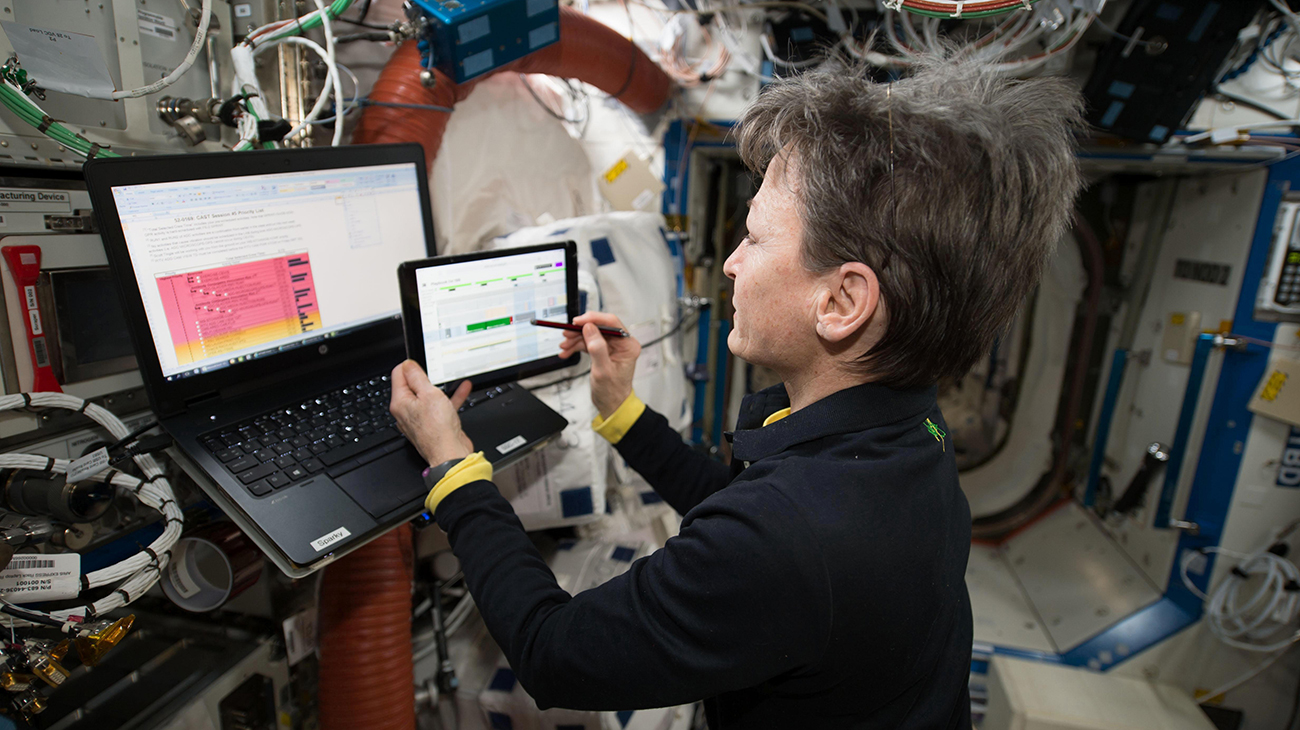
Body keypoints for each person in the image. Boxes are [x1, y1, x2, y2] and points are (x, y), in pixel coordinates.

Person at [390, 56, 1083, 729]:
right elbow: (744, 508)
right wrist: (623, 413)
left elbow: (554, 653)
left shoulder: (794, 535)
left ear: (842, 301)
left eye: (753, 238)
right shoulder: (908, 433)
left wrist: (456, 471)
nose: (730, 263)